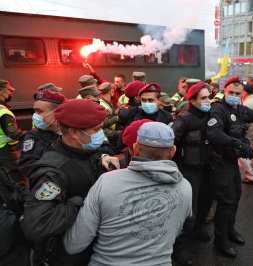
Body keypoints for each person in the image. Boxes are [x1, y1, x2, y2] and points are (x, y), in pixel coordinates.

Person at [63, 122, 192, 266]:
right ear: (173, 151)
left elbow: (74, 244)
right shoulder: (185, 188)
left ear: (135, 149)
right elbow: (175, 231)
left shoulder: (107, 182)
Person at [20, 99, 120, 266]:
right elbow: (37, 225)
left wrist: (103, 157)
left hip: (90, 249)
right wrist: (84, 200)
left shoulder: (85, 149)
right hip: (65, 256)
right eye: (96, 129)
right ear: (74, 133)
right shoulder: (53, 173)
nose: (101, 134)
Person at [206, 76, 253, 258]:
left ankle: (230, 230)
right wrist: (239, 145)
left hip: (231, 163)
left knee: (236, 196)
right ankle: (220, 240)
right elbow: (214, 133)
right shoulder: (218, 109)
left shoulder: (240, 109)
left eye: (238, 93)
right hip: (220, 163)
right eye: (231, 92)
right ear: (225, 91)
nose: (234, 96)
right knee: (225, 201)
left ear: (242, 94)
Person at [170, 82, 213, 264]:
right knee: (188, 209)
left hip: (207, 167)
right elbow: (171, 141)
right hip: (188, 169)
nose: (207, 101)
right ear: (193, 100)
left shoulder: (211, 115)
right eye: (203, 98)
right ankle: (180, 247)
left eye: (208, 97)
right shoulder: (184, 119)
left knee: (206, 201)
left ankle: (198, 228)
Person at [18, 90, 66, 177]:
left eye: (39, 111)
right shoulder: (34, 137)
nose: (35, 115)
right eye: (35, 111)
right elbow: (27, 166)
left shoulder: (72, 132)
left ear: (57, 112)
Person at [115, 83, 174, 153]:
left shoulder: (167, 117)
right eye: (144, 100)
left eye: (151, 100)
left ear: (160, 100)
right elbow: (122, 145)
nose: (147, 103)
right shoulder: (133, 116)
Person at [0, 79, 27, 187]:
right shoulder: (4, 112)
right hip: (5, 153)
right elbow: (14, 134)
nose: (10, 93)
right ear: (2, 93)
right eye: (8, 91)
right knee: (18, 180)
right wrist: (32, 135)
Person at [98, 82, 120, 147]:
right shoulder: (102, 105)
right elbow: (102, 123)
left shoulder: (104, 103)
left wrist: (116, 111)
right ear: (111, 92)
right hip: (107, 136)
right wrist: (117, 118)